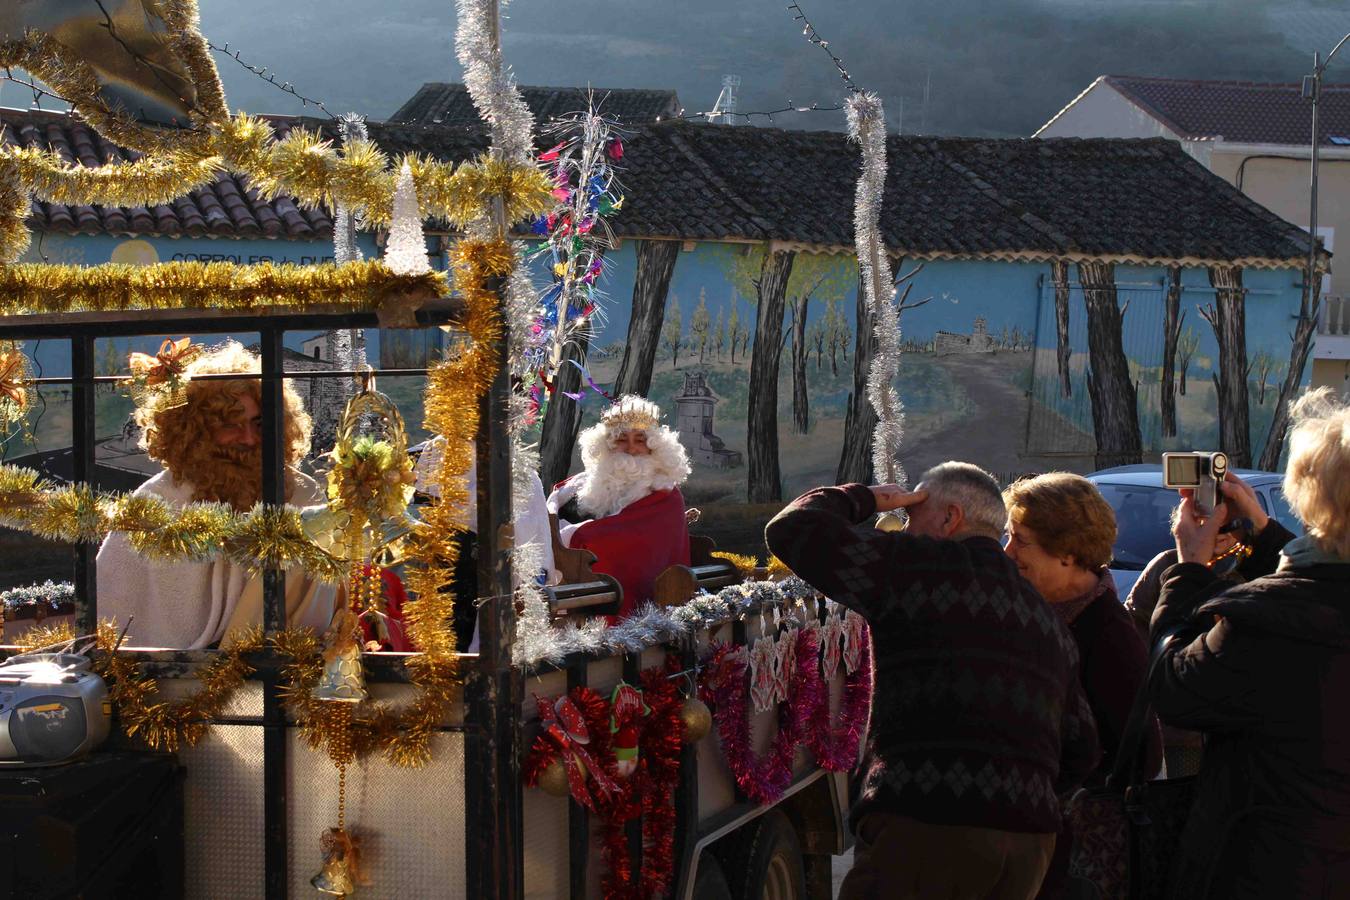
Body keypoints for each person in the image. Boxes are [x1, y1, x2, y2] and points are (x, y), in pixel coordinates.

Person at [766, 462, 1100, 900]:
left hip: (927, 823)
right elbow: (1083, 745)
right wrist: (1016, 795)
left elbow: (793, 529)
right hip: (1027, 844)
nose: (903, 528)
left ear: (949, 518)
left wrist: (867, 498)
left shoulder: (914, 568)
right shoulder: (1043, 618)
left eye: (910, 514)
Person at [1150, 388, 1350, 899]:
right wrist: (1263, 537)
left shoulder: (1269, 624)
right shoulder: (1285, 613)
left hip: (1271, 870)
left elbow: (1174, 688)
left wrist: (1189, 569)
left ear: (1311, 494)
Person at [97, 341, 338, 649]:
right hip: (178, 686)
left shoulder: (301, 494)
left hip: (282, 681)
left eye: (258, 423)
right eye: (230, 425)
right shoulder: (157, 500)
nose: (249, 439)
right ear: (194, 431)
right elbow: (113, 605)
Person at [1002, 473, 1162, 899]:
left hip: (1076, 855)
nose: (1008, 552)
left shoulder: (1108, 634)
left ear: (1068, 554)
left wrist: (1060, 788)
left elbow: (1140, 755)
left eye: (1021, 540)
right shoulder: (1034, 613)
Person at [1124, 474, 1298, 778]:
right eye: (1206, 526)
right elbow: (1135, 632)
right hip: (1177, 735)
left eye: (1229, 526)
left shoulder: (1256, 572)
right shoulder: (1169, 567)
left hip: (1240, 733)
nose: (1218, 536)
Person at [548, 395, 691, 617]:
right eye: (622, 439)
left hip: (644, 596)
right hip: (591, 588)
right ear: (608, 444)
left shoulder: (666, 493)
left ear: (655, 447)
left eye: (640, 439)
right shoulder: (587, 484)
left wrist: (571, 534)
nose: (631, 448)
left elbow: (627, 537)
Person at [412, 436, 557, 651]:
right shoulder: (439, 449)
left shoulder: (521, 469)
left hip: (497, 585)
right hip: (448, 579)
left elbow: (534, 540)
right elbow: (428, 508)